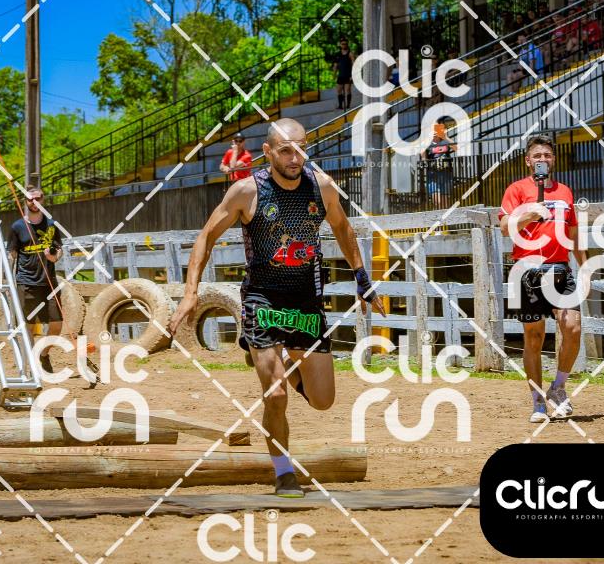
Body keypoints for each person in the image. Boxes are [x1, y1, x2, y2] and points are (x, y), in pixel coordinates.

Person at [169, 118, 385, 497]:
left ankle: (285, 364)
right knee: (276, 394)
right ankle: (284, 473)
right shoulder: (246, 191)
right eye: (286, 150)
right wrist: (190, 292)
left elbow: (342, 228)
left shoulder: (321, 186)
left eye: (301, 149)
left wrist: (362, 278)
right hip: (262, 299)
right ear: (268, 152)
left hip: (305, 300)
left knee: (323, 401)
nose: (295, 158)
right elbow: (206, 237)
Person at [499, 135, 587, 423]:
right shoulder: (516, 189)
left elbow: (573, 234)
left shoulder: (565, 191)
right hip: (526, 271)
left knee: (572, 327)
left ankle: (558, 388)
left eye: (547, 155)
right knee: (533, 338)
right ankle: (538, 402)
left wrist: (585, 267)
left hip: (561, 270)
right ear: (528, 161)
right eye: (537, 155)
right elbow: (504, 227)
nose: (542, 159)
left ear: (553, 160)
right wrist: (529, 216)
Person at [6, 185, 64, 373]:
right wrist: (6, 278)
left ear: (43, 199)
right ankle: (32, 366)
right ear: (25, 201)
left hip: (49, 282)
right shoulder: (17, 227)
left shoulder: (51, 224)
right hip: (26, 282)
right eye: (30, 199)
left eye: (37, 198)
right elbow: (12, 254)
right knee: (29, 326)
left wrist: (53, 257)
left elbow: (59, 249)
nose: (34, 202)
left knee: (57, 324)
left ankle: (44, 354)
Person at [423, 119, 456, 209]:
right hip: (433, 175)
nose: (434, 130)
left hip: (446, 174)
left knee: (445, 202)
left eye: (436, 128)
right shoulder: (427, 143)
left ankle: (446, 217)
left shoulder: (445, 141)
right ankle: (441, 217)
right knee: (437, 201)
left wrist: (445, 137)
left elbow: (456, 148)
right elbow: (423, 159)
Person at [332, 37, 355, 110]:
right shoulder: (338, 54)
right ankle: (340, 105)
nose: (344, 45)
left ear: (347, 44)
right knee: (339, 90)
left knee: (348, 90)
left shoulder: (350, 53)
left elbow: (354, 64)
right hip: (341, 75)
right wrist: (334, 74)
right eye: (342, 44)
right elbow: (335, 65)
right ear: (340, 45)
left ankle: (348, 105)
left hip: (348, 75)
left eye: (345, 44)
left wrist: (353, 74)